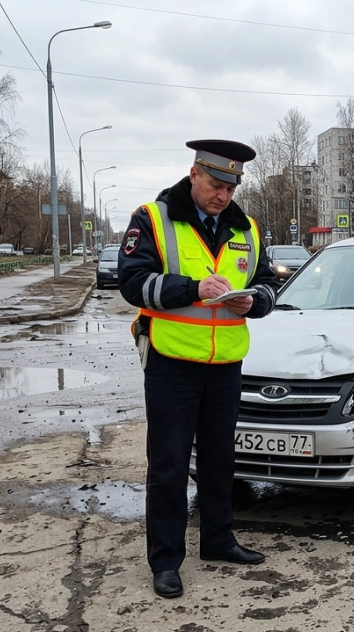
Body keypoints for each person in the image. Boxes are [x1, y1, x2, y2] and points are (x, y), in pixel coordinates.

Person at [117, 139, 279, 599]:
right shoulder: (152, 218)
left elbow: (267, 282)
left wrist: (256, 300)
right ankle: (166, 561)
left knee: (219, 460)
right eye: (215, 184)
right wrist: (192, 288)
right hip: (172, 363)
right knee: (168, 466)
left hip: (226, 363)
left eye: (231, 186)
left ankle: (218, 540)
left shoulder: (246, 226)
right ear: (194, 174)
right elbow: (132, 282)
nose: (222, 195)